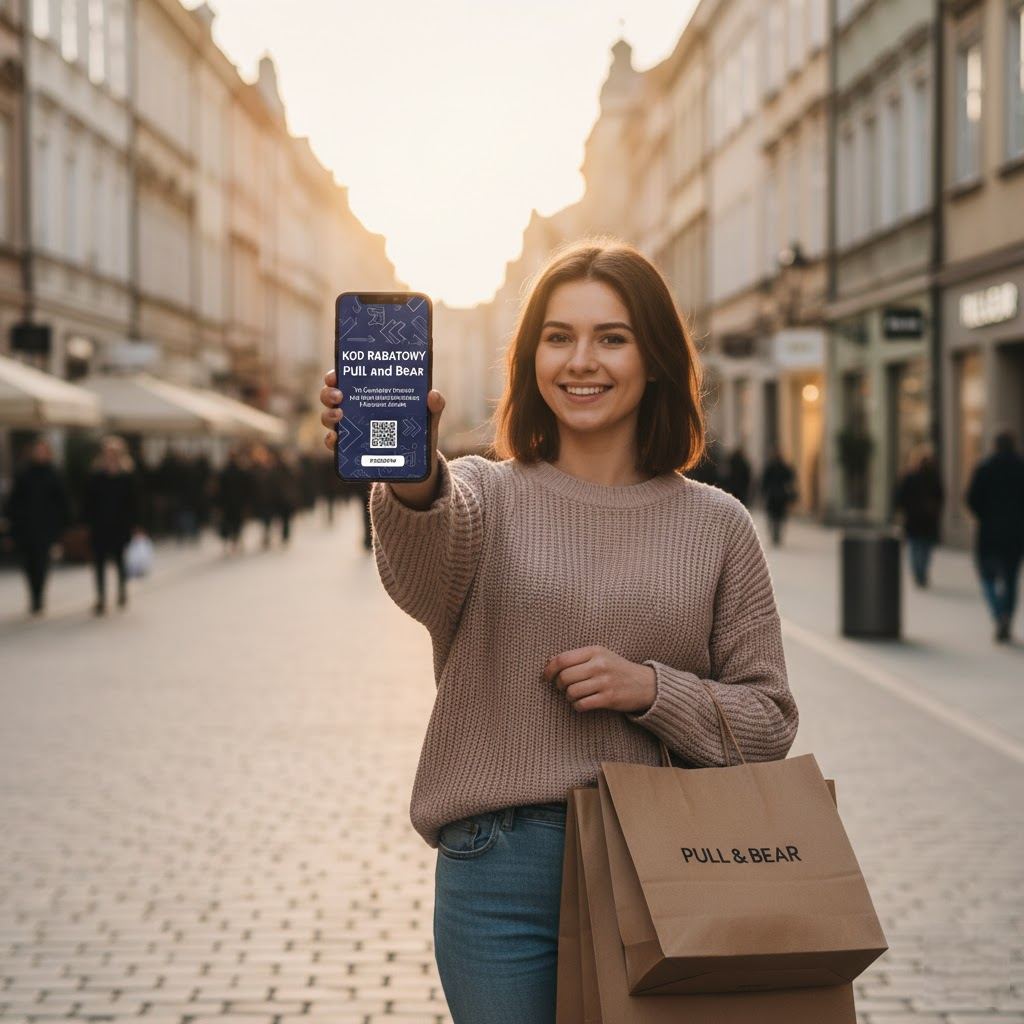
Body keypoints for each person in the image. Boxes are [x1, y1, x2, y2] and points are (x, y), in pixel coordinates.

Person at [319, 240, 797, 1024]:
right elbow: (425, 571)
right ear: (530, 359)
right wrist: (412, 472)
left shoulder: (718, 525)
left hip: (667, 864)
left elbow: (770, 722)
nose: (582, 361)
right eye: (558, 337)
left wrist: (651, 689)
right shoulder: (483, 495)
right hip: (498, 872)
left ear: (656, 359)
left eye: (612, 337)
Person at [966, 429, 1024, 643]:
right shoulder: (1020, 468)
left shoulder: (984, 468)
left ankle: (999, 613)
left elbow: (971, 499)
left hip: (989, 534)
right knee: (1011, 579)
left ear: (995, 445)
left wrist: (985, 515)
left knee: (988, 577)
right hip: (1015, 534)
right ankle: (1006, 615)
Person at [5, 436, 70, 615]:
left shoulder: (54, 475)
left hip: (46, 528)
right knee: (28, 563)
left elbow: (62, 502)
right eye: (37, 451)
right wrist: (11, 527)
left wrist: (63, 527)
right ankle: (33, 594)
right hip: (25, 528)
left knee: (42, 563)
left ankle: (39, 596)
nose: (39, 454)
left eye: (42, 451)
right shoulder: (23, 474)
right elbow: (14, 503)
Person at [83, 435, 140, 615]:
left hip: (120, 526)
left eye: (113, 453)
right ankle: (101, 597)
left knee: (120, 560)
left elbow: (134, 503)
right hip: (100, 526)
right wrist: (86, 522)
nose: (110, 456)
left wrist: (135, 524)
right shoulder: (96, 476)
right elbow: (88, 502)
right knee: (99, 562)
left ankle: (121, 591)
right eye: (107, 452)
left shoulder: (127, 477)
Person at [894, 445, 944, 587]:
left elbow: (900, 498)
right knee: (924, 548)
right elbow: (940, 498)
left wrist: (903, 511)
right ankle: (921, 572)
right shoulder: (933, 478)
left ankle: (918, 572)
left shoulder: (911, 477)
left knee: (916, 547)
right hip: (926, 520)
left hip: (915, 519)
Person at [760, 446, 797, 546]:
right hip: (775, 495)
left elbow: (790, 480)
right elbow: (764, 482)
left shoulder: (778, 467)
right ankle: (775, 533)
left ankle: (776, 534)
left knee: (778, 516)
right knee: (774, 516)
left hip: (778, 496)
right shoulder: (771, 467)